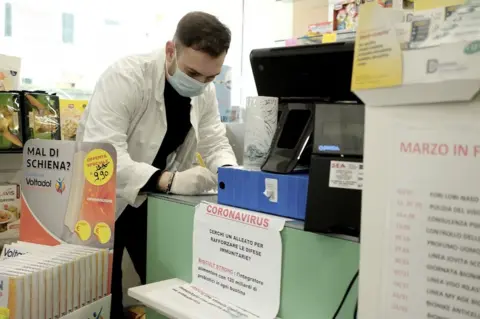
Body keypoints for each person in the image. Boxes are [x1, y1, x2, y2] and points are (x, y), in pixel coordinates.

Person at [76, 11, 237, 317]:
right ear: (170, 50)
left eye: (211, 77)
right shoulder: (126, 77)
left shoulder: (205, 91)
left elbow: (215, 142)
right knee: (104, 291)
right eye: (192, 73)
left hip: (153, 200)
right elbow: (103, 155)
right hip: (102, 198)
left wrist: (231, 176)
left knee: (168, 287)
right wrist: (171, 181)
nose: (200, 83)